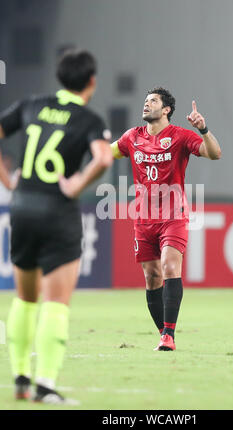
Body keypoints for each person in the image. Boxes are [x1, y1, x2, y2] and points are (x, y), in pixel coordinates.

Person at [0, 49, 113, 404]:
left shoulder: (31, 104)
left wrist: (8, 181)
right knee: (56, 304)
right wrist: (77, 185)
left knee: (25, 298)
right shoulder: (88, 119)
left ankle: (19, 378)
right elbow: (104, 157)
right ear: (91, 81)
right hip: (57, 212)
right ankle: (45, 386)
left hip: (22, 208)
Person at [111, 87, 221, 351]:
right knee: (152, 276)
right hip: (143, 219)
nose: (146, 105)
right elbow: (106, 153)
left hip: (173, 215)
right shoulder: (132, 137)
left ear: (166, 109)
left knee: (170, 268)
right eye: (146, 101)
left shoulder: (181, 136)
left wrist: (204, 130)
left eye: (153, 101)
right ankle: (164, 332)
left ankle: (168, 337)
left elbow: (215, 153)